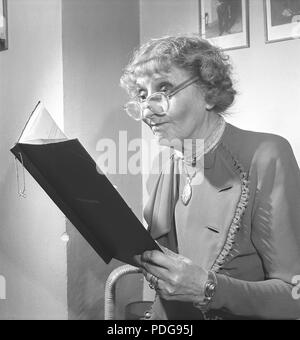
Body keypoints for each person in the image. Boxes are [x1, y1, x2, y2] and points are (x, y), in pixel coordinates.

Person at [120, 34, 300, 320]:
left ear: (208, 92)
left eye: (164, 90)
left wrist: (209, 288)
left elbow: (295, 299)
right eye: (142, 96)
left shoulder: (267, 155)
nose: (147, 110)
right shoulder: (163, 163)